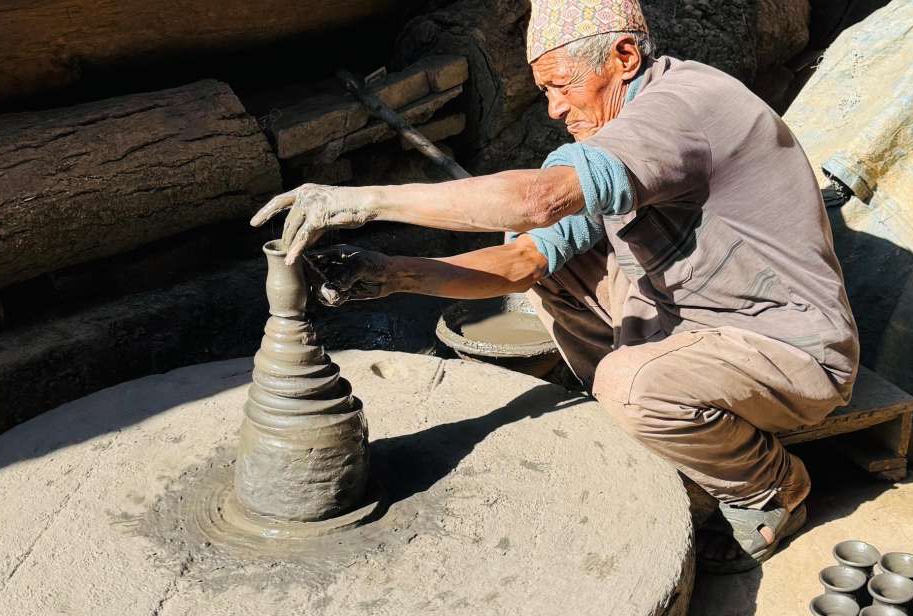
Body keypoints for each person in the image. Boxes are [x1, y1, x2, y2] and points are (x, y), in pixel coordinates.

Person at [251, 0, 859, 573]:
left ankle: (770, 488)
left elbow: (539, 198)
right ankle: (663, 416)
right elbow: (522, 262)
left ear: (623, 58)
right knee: (555, 268)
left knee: (629, 383)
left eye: (560, 87)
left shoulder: (687, 108)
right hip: (696, 321)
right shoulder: (619, 134)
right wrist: (391, 274)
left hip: (790, 350)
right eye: (544, 92)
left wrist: (359, 202)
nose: (553, 110)